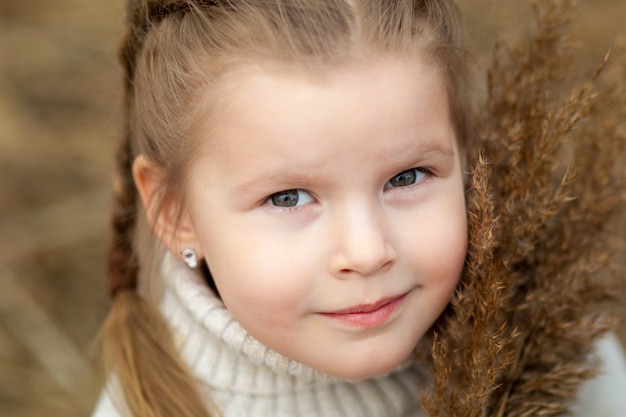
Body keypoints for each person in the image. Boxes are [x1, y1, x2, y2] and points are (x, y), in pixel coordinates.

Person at [93, 1, 626, 416]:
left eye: (407, 177)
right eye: (288, 197)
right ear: (176, 213)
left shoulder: (549, 340)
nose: (368, 252)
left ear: (467, 159)